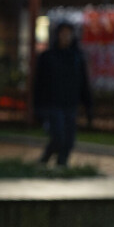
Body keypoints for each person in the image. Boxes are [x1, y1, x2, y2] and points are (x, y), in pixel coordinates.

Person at [33, 21, 93, 166]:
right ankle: (44, 160)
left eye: (69, 34)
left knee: (69, 140)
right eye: (63, 34)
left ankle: (61, 166)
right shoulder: (48, 57)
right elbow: (39, 83)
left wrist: (88, 106)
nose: (66, 37)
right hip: (53, 104)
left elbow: (83, 83)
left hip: (71, 104)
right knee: (58, 137)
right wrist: (38, 107)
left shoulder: (77, 58)